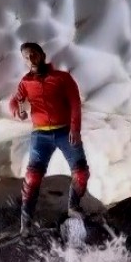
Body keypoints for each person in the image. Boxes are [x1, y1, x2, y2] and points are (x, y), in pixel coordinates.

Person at [7, 42, 90, 232]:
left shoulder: (62, 78)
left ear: (42, 55)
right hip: (40, 135)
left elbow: (75, 102)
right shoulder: (25, 83)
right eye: (26, 57)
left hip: (65, 131)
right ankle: (25, 224)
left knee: (81, 173)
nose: (30, 59)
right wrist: (16, 112)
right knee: (32, 177)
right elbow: (14, 101)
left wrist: (75, 129)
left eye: (33, 54)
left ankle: (73, 207)